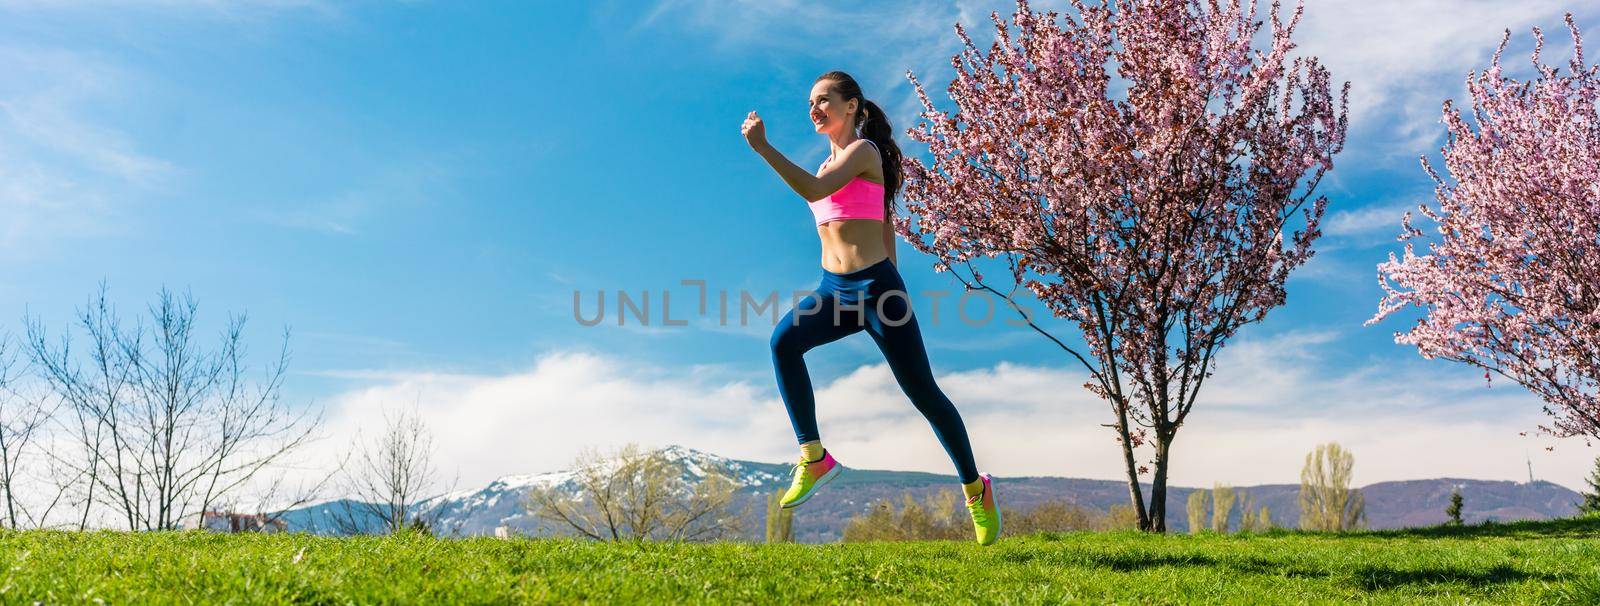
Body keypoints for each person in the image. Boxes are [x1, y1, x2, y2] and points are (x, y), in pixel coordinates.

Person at [740, 70, 1000, 545]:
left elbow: (818, 196)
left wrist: (763, 148)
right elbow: (882, 221)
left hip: (879, 291)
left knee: (922, 392)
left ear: (852, 106)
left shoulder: (864, 152)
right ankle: (814, 456)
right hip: (834, 291)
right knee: (782, 343)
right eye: (810, 103)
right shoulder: (824, 165)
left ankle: (973, 488)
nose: (814, 109)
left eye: (824, 100)